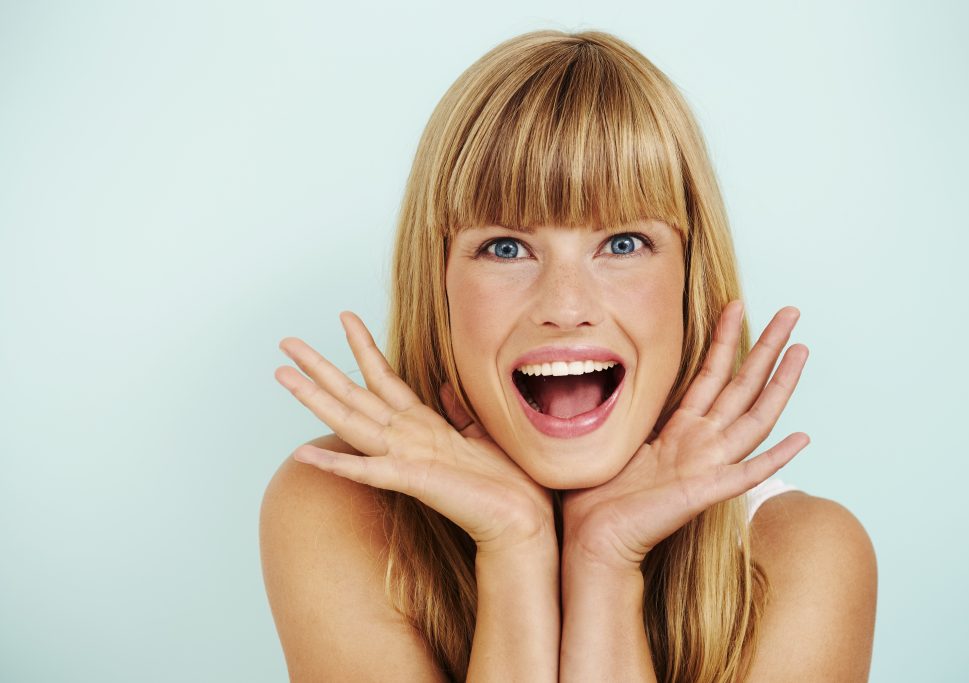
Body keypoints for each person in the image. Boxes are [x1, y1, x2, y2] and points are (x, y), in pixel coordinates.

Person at [259, 29, 877, 682]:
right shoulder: (336, 504)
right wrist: (515, 547)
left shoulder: (807, 556)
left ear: (691, 279)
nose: (566, 303)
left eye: (623, 243)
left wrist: (603, 561)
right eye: (505, 247)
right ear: (437, 282)